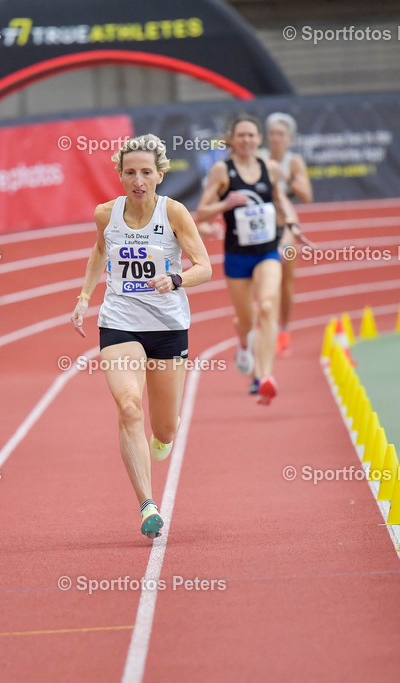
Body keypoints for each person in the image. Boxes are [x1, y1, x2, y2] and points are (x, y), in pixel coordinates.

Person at [71, 134, 211, 539]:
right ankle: (147, 504)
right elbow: (100, 251)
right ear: (119, 175)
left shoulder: (175, 213)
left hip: (168, 328)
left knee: (163, 428)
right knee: (129, 406)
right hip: (120, 323)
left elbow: (204, 266)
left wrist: (176, 277)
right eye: (129, 172)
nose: (137, 179)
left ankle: (163, 437)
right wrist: (84, 296)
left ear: (160, 175)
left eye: (146, 172)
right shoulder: (106, 214)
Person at [196, 115, 305, 402]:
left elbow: (281, 201)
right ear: (231, 139)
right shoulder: (222, 171)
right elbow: (202, 212)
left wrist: (292, 226)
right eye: (241, 135)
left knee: (268, 306)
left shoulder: (268, 167)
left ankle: (265, 375)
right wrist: (225, 203)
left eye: (252, 135)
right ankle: (244, 343)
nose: (246, 140)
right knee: (246, 320)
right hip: (237, 256)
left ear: (259, 140)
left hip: (267, 251)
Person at [261, 112, 313, 356]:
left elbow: (306, 195)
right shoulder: (259, 157)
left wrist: (286, 177)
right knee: (262, 280)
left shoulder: (293, 162)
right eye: (272, 133)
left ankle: (284, 329)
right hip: (261, 228)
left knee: (286, 280)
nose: (275, 138)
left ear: (289, 138)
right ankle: (264, 328)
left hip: (286, 229)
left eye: (280, 134)